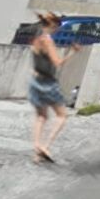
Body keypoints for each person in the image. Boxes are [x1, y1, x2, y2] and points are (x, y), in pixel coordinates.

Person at [28, 13, 78, 163]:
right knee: (62, 115)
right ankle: (45, 146)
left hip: (35, 81)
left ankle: (37, 149)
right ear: (52, 26)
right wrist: (73, 52)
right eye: (56, 27)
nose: (57, 30)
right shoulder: (47, 41)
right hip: (47, 83)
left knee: (41, 117)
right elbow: (57, 62)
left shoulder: (36, 40)